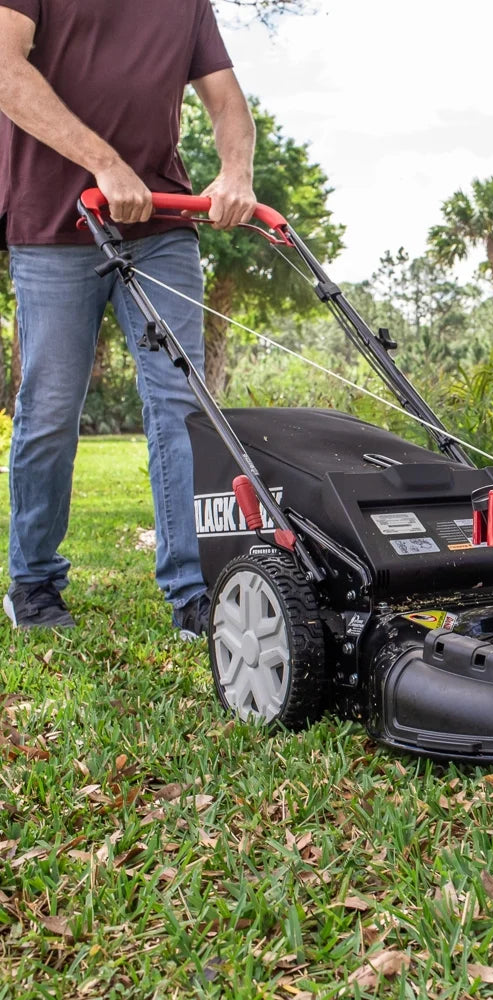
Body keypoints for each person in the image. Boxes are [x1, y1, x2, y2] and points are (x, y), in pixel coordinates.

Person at [0, 0, 257, 634]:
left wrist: (235, 172)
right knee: (53, 405)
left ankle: (193, 591)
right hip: (53, 224)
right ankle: (33, 581)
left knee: (182, 403)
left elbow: (226, 102)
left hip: (160, 227)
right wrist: (106, 161)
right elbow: (6, 70)